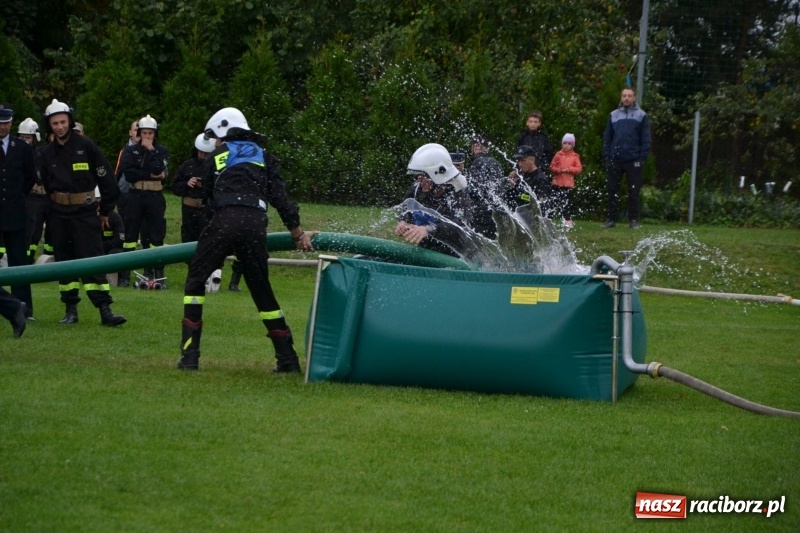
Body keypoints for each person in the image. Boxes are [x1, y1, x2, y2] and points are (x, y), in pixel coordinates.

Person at [178, 107, 314, 372]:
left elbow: (207, 195)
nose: (215, 143)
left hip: (224, 220)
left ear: (222, 133)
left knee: (195, 281)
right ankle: (288, 360)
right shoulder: (265, 156)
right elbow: (280, 198)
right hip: (255, 223)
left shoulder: (219, 154)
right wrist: (296, 232)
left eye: (216, 138)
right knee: (261, 289)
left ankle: (189, 357)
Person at [37, 98, 126, 326]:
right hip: (58, 215)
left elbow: (107, 180)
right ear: (50, 126)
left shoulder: (86, 146)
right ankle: (70, 310)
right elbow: (44, 188)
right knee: (65, 265)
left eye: (63, 122)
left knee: (93, 263)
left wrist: (105, 210)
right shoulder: (46, 154)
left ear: (70, 121)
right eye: (55, 123)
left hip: (85, 214)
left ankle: (105, 310)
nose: (59, 126)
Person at [118, 115, 170, 287]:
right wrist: (149, 174)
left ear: (155, 134)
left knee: (156, 236)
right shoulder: (131, 151)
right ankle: (124, 275)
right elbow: (129, 173)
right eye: (144, 133)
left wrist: (152, 151)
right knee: (130, 235)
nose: (147, 136)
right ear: (139, 133)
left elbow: (159, 168)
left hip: (155, 196)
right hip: (135, 195)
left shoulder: (162, 151)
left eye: (150, 133)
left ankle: (157, 272)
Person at [395, 143, 473, 257]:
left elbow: (461, 227)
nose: (419, 179)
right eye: (419, 175)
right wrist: (403, 221)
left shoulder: (457, 192)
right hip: (426, 251)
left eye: (423, 175)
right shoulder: (417, 187)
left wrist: (430, 229)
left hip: (454, 256)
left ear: (436, 175)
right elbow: (405, 208)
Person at [0, 103, 36, 320]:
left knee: (19, 261)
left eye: (5, 123)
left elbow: (30, 178)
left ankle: (24, 307)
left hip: (15, 210)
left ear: (11, 123)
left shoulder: (22, 147)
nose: (2, 127)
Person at [603, 87, 651, 229]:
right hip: (615, 159)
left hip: (633, 160)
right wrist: (608, 156)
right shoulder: (613, 115)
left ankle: (633, 221)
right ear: (621, 98)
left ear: (634, 98)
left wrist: (641, 158)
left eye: (629, 96)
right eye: (624, 96)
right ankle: (611, 220)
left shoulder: (641, 116)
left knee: (634, 192)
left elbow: (646, 139)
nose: (627, 98)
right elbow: (607, 138)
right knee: (612, 191)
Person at [18, 117, 53, 264]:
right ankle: (27, 258)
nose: (25, 140)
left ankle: (51, 258)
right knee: (32, 231)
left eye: (28, 137)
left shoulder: (42, 153)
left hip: (48, 198)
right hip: (32, 197)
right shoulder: (18, 154)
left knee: (52, 230)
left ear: (35, 137)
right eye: (23, 137)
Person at [465, 135, 504, 239]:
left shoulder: (477, 162)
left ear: (475, 147)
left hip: (479, 212)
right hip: (493, 211)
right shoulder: (496, 163)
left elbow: (474, 190)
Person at [504, 145, 551, 214]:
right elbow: (508, 198)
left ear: (532, 160)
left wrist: (521, 195)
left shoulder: (541, 179)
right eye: (518, 161)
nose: (520, 164)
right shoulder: (521, 177)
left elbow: (541, 205)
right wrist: (510, 185)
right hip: (519, 217)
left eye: (523, 160)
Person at [550, 133, 583, 228]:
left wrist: (569, 169)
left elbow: (579, 169)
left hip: (568, 184)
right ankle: (549, 218)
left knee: (567, 203)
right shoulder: (558, 154)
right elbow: (552, 166)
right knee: (553, 201)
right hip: (557, 183)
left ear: (572, 145)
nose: (566, 145)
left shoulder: (575, 156)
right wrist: (559, 170)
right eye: (565, 143)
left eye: (569, 143)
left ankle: (567, 219)